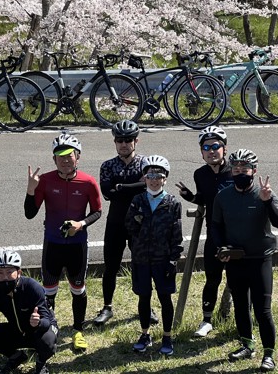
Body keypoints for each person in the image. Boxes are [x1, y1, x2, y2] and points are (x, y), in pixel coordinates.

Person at [24, 133, 102, 351]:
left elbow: (97, 212)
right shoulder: (45, 180)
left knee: (78, 289)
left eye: (70, 156)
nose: (65, 160)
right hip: (53, 244)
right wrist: (31, 189)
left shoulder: (88, 182)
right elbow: (30, 213)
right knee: (49, 292)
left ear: (78, 157)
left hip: (77, 245)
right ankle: (50, 329)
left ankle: (78, 330)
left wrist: (81, 224)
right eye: (60, 156)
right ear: (54, 159)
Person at [211, 149, 278, 373]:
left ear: (254, 170)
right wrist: (221, 247)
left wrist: (268, 200)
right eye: (235, 169)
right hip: (236, 258)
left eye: (244, 169)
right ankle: (247, 344)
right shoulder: (223, 196)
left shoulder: (263, 193)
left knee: (263, 310)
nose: (240, 173)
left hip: (260, 258)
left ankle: (269, 354)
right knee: (241, 305)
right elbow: (216, 225)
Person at [176, 125, 233, 338]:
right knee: (212, 279)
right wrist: (190, 197)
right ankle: (207, 320)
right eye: (206, 147)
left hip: (237, 235)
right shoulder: (200, 174)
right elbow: (204, 199)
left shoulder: (235, 171)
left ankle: (244, 321)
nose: (211, 151)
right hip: (214, 234)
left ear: (224, 149)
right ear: (201, 152)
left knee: (239, 280)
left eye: (216, 146)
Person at [0, 250, 58, 374]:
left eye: (9, 272)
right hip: (16, 330)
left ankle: (41, 363)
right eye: (0, 273)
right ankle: (16, 356)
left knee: (48, 340)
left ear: (18, 273)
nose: (5, 277)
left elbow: (47, 320)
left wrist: (38, 322)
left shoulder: (32, 287)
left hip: (39, 329)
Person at [125, 155, 183, 356]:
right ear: (144, 177)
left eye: (159, 175)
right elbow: (129, 227)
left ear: (165, 178)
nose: (154, 179)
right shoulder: (137, 200)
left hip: (162, 259)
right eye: (150, 175)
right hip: (141, 258)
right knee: (144, 297)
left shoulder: (172, 202)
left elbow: (177, 235)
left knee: (165, 298)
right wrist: (138, 219)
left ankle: (167, 336)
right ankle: (144, 334)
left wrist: (173, 259)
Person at [93, 119, 148, 326]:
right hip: (115, 222)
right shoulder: (107, 165)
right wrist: (135, 185)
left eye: (128, 140)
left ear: (136, 141)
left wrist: (121, 187)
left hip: (139, 222)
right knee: (110, 266)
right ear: (115, 142)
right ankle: (107, 307)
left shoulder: (146, 163)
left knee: (142, 265)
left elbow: (147, 189)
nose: (124, 144)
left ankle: (146, 305)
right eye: (119, 140)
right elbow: (108, 193)